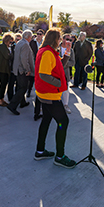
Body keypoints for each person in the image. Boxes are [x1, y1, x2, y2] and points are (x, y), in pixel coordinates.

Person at [34, 29, 76, 169]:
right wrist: (59, 82)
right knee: (63, 121)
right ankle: (60, 156)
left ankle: (40, 151)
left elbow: (59, 66)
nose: (61, 41)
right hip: (50, 95)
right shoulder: (47, 52)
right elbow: (44, 74)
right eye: (59, 38)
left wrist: (68, 52)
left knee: (46, 120)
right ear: (54, 39)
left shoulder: (50, 51)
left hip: (47, 95)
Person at [7, 30, 35, 115]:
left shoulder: (19, 42)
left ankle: (22, 102)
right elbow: (24, 59)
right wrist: (27, 70)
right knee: (23, 88)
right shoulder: (25, 44)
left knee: (20, 86)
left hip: (17, 69)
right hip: (21, 70)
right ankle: (12, 105)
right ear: (29, 37)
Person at [0, 32, 14, 106]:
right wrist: (11, 52)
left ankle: (2, 99)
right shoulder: (2, 46)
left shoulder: (7, 47)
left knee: (4, 84)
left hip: (6, 69)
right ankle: (0, 100)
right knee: (2, 84)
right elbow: (7, 56)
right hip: (2, 69)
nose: (11, 43)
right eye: (10, 41)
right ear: (6, 40)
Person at [59, 33, 76, 116]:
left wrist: (63, 63)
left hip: (66, 73)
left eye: (70, 40)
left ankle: (65, 105)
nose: (68, 41)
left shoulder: (71, 50)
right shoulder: (56, 47)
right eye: (67, 39)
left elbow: (73, 62)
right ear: (63, 39)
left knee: (66, 90)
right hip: (56, 73)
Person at [27, 29, 44, 98]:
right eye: (37, 34)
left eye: (40, 34)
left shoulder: (44, 42)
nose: (38, 35)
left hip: (41, 62)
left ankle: (40, 92)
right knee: (32, 77)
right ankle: (28, 91)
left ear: (43, 35)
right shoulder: (32, 42)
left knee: (40, 78)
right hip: (33, 61)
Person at [7, 32, 22, 102]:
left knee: (18, 84)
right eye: (16, 39)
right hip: (12, 68)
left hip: (19, 69)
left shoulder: (21, 47)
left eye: (19, 39)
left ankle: (16, 98)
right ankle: (10, 98)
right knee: (11, 84)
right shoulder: (11, 47)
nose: (17, 41)